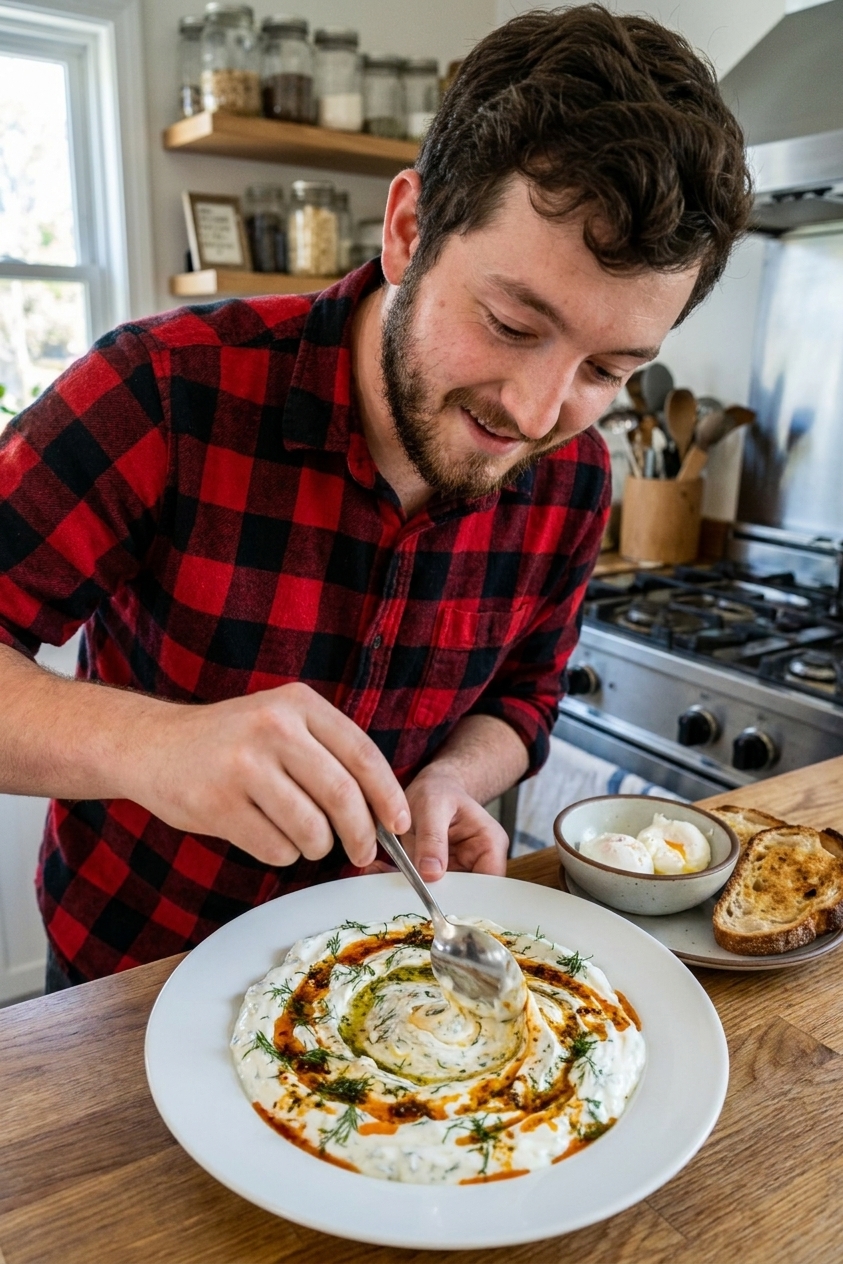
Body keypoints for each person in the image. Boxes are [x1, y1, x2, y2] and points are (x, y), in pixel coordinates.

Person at [0, 5, 752, 987]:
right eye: (511, 322)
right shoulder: (163, 392)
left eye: (606, 368)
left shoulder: (577, 478)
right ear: (407, 230)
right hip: (126, 981)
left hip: (390, 982)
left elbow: (525, 698)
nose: (535, 414)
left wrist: (451, 778)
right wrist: (153, 747)